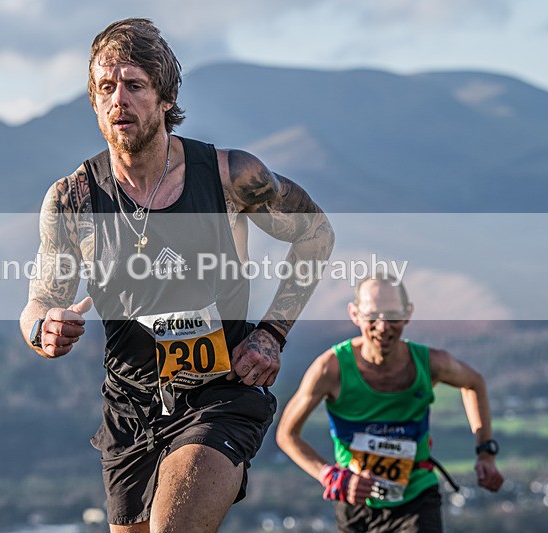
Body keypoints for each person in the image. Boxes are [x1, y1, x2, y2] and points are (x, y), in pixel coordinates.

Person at [19, 18, 334, 533]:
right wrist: (43, 328)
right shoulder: (73, 199)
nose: (118, 99)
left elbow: (315, 234)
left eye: (134, 85)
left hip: (220, 393)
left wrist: (273, 332)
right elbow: (38, 303)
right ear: (94, 102)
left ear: (165, 98)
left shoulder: (231, 176)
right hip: (130, 408)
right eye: (105, 87)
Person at [276, 275, 504, 533]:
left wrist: (485, 453)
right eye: (372, 316)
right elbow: (286, 434)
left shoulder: (429, 363)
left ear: (408, 314)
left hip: (416, 498)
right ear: (355, 314)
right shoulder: (331, 368)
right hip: (355, 503)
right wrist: (330, 476)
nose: (383, 327)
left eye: (393, 315)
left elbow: (474, 382)